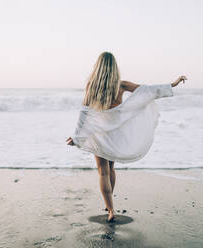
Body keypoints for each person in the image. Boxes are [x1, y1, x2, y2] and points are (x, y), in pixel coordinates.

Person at [66, 51, 187, 222]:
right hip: (116, 134)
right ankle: (109, 206)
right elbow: (148, 91)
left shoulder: (91, 86)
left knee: (102, 172)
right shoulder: (121, 85)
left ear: (98, 67)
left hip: (100, 135)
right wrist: (172, 84)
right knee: (111, 169)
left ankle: (110, 209)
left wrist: (76, 137)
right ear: (114, 68)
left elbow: (84, 113)